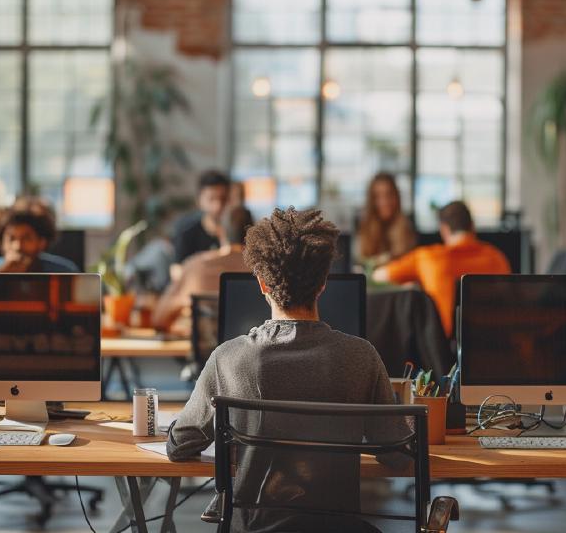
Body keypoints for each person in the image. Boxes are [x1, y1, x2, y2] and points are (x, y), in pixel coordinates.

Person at [166, 207, 403, 532]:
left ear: (262, 283)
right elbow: (400, 453)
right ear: (322, 284)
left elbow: (180, 445)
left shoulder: (228, 358)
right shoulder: (362, 356)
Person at [372, 201, 510, 338]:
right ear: (472, 226)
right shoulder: (497, 257)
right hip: (498, 344)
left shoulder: (428, 257)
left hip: (445, 350)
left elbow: (380, 275)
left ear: (444, 229)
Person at [152, 206, 253, 335]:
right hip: (254, 352)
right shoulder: (264, 269)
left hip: (209, 353)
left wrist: (185, 307)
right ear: (253, 233)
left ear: (220, 232)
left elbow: (159, 319)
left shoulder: (196, 266)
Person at [0, 199, 78, 274]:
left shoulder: (63, 271)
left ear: (41, 242)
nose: (17, 246)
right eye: (11, 238)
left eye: (26, 238)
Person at [170, 171, 231, 265]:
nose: (218, 205)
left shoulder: (238, 228)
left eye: (223, 199)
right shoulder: (187, 230)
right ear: (199, 201)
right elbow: (177, 269)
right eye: (211, 199)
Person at [356, 172, 416, 269]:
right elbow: (360, 260)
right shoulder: (364, 227)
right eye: (377, 196)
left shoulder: (407, 228)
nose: (384, 202)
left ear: (397, 197)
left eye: (389, 195)